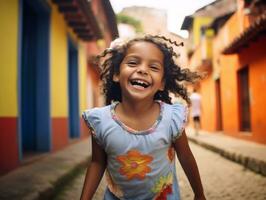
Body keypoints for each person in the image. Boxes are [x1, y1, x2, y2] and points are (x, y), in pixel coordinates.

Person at [81, 35, 205, 200]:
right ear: (117, 74)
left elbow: (186, 156)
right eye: (133, 63)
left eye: (153, 67)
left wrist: (199, 194)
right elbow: (97, 162)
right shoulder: (101, 121)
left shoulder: (171, 118)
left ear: (161, 83)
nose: (142, 70)